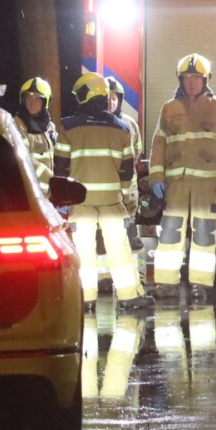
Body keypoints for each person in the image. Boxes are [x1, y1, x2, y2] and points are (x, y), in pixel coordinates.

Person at [149, 53, 216, 296]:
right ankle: (166, 283)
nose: (191, 83)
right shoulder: (169, 109)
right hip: (176, 184)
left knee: (203, 233)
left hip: (207, 185)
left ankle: (200, 284)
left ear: (206, 80)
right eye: (187, 78)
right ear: (180, 80)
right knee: (169, 233)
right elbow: (158, 146)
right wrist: (156, 178)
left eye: (196, 78)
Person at [55, 72, 147, 305]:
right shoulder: (122, 128)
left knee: (84, 251)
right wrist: (124, 199)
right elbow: (127, 171)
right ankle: (130, 297)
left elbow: (61, 168)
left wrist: (63, 202)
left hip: (80, 203)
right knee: (119, 249)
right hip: (112, 203)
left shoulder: (67, 127)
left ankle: (84, 300)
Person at [104, 75, 145, 252]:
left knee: (130, 229)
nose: (111, 103)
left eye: (114, 99)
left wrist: (128, 162)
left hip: (129, 188)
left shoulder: (130, 123)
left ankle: (135, 273)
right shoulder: (96, 124)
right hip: (107, 188)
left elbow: (138, 148)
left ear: (119, 100)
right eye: (107, 98)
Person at [15, 75, 57, 188]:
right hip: (30, 192)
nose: (32, 103)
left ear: (45, 102)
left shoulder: (50, 127)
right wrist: (51, 179)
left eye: (37, 98)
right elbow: (25, 159)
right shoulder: (17, 125)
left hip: (49, 192)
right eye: (28, 98)